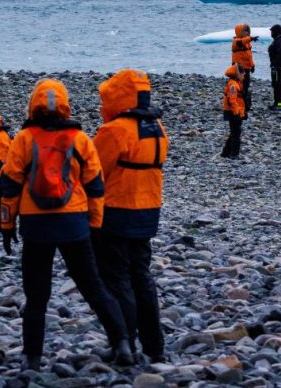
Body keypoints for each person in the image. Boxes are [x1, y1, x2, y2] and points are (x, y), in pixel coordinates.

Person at [0, 78, 132, 371]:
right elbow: (96, 187)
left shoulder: (23, 139)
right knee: (93, 286)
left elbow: (9, 187)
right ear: (65, 105)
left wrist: (7, 226)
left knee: (36, 295)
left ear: (33, 105)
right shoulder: (79, 139)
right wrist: (94, 225)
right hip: (74, 222)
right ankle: (122, 343)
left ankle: (32, 357)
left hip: (36, 225)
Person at [92, 70, 169, 363]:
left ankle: (123, 344)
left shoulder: (115, 131)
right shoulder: (157, 127)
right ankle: (155, 346)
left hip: (115, 212)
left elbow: (94, 171)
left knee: (117, 279)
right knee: (142, 277)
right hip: (148, 212)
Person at [231, 24, 257, 113]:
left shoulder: (247, 43)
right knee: (239, 87)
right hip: (239, 69)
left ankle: (244, 105)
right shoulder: (236, 41)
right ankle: (237, 105)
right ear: (239, 32)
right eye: (244, 31)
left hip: (246, 68)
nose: (246, 32)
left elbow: (249, 56)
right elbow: (241, 42)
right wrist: (251, 38)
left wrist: (252, 65)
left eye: (247, 31)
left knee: (245, 86)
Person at [221, 64, 245, 159]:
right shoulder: (233, 85)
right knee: (236, 134)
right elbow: (232, 100)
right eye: (243, 73)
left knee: (233, 132)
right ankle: (234, 154)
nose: (244, 75)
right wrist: (237, 113)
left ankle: (226, 152)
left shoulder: (235, 83)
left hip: (234, 112)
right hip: (233, 113)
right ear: (238, 74)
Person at [268, 24, 281, 110]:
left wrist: (275, 65)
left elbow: (280, 55)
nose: (271, 33)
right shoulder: (278, 40)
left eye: (272, 31)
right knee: (275, 84)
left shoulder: (280, 41)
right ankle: (276, 103)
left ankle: (280, 105)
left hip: (277, 67)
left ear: (275, 32)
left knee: (278, 85)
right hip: (276, 66)